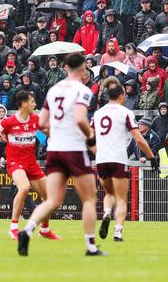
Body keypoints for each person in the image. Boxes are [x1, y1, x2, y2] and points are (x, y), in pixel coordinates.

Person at [17, 52, 103, 256]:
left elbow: (43, 123)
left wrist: (55, 132)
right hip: (73, 148)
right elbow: (81, 119)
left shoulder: (54, 90)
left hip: (54, 150)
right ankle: (91, 246)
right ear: (83, 69)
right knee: (89, 199)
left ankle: (27, 230)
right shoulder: (82, 90)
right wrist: (91, 140)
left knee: (53, 201)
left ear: (65, 68)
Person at [0, 90, 60, 241]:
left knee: (50, 196)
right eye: (32, 102)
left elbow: (49, 133)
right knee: (24, 187)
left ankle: (45, 229)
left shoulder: (36, 120)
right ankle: (13, 228)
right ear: (23, 104)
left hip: (31, 164)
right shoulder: (8, 122)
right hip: (15, 163)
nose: (35, 104)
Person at [94, 77, 156, 242]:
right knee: (121, 198)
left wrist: (96, 152)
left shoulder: (98, 113)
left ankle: (107, 212)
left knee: (109, 193)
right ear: (121, 96)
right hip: (118, 158)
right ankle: (118, 231)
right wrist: (151, 157)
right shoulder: (125, 113)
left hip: (101, 159)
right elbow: (139, 139)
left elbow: (90, 137)